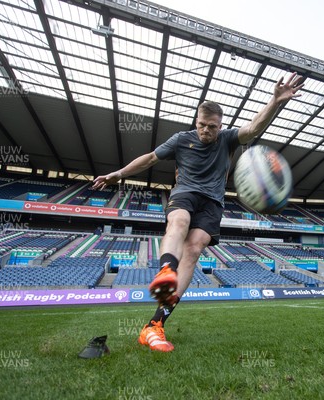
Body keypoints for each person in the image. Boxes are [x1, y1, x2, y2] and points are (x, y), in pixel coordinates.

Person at [92, 72, 304, 352]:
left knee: (194, 248)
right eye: (203, 125)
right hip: (186, 193)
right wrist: (118, 174)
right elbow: (151, 158)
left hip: (213, 202)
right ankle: (167, 269)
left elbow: (253, 129)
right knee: (179, 220)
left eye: (212, 127)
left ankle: (154, 327)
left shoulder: (227, 139)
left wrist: (275, 101)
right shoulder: (181, 139)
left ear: (220, 126)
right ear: (196, 122)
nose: (207, 131)